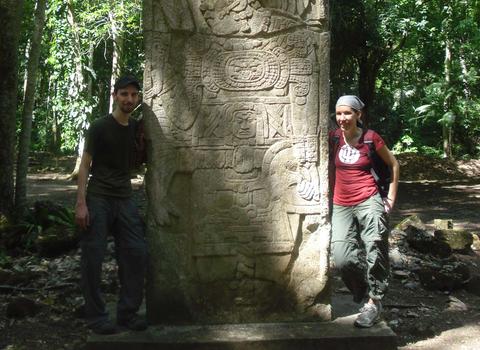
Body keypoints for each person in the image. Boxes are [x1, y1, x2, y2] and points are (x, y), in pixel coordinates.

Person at [75, 75, 148, 334]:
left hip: (125, 197)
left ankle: (127, 314)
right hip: (99, 198)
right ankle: (96, 318)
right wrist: (81, 203)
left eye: (133, 95)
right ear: (115, 96)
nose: (129, 99)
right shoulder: (99, 127)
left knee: (136, 253)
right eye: (124, 94)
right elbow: (85, 166)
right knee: (93, 257)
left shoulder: (137, 128)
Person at [329, 95, 400, 328]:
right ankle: (361, 289)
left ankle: (374, 301)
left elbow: (393, 164)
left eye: (347, 113)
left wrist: (390, 198)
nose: (342, 118)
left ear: (359, 115)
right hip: (341, 202)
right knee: (341, 257)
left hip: (368, 199)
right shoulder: (334, 138)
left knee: (375, 246)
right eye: (339, 114)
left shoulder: (371, 139)